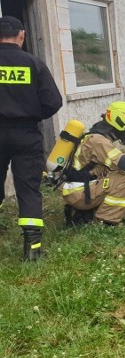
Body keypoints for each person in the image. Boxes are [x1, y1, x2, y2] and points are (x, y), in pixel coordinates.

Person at [0, 15, 63, 260]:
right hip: (26, 134)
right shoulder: (33, 63)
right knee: (28, 188)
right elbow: (53, 102)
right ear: (21, 36)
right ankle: (33, 250)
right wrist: (32, 114)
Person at [61, 101, 125, 226]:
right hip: (80, 193)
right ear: (121, 125)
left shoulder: (98, 137)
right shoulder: (98, 141)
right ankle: (106, 221)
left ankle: (84, 214)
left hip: (81, 188)